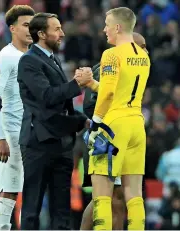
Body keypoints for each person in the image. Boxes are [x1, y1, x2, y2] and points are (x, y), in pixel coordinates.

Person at [75, 7, 150, 230]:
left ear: (118, 27)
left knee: (102, 196)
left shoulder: (111, 54)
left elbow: (107, 95)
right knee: (134, 195)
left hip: (113, 126)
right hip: (136, 123)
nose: (105, 29)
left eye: (107, 24)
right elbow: (120, 92)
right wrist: (91, 84)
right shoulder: (143, 57)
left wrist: (97, 123)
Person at [17, 13, 93, 230]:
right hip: (38, 143)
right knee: (32, 207)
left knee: (62, 209)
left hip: (61, 143)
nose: (62, 33)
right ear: (41, 34)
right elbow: (48, 97)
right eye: (56, 29)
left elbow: (63, 105)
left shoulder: (52, 59)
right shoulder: (28, 61)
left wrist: (81, 121)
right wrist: (77, 83)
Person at [0, 5, 35, 230]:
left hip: (33, 132)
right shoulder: (5, 57)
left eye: (33, 25)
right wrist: (1, 137)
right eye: (25, 25)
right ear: (12, 28)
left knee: (32, 189)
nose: (30, 30)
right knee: (11, 190)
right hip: (12, 132)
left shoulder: (35, 56)